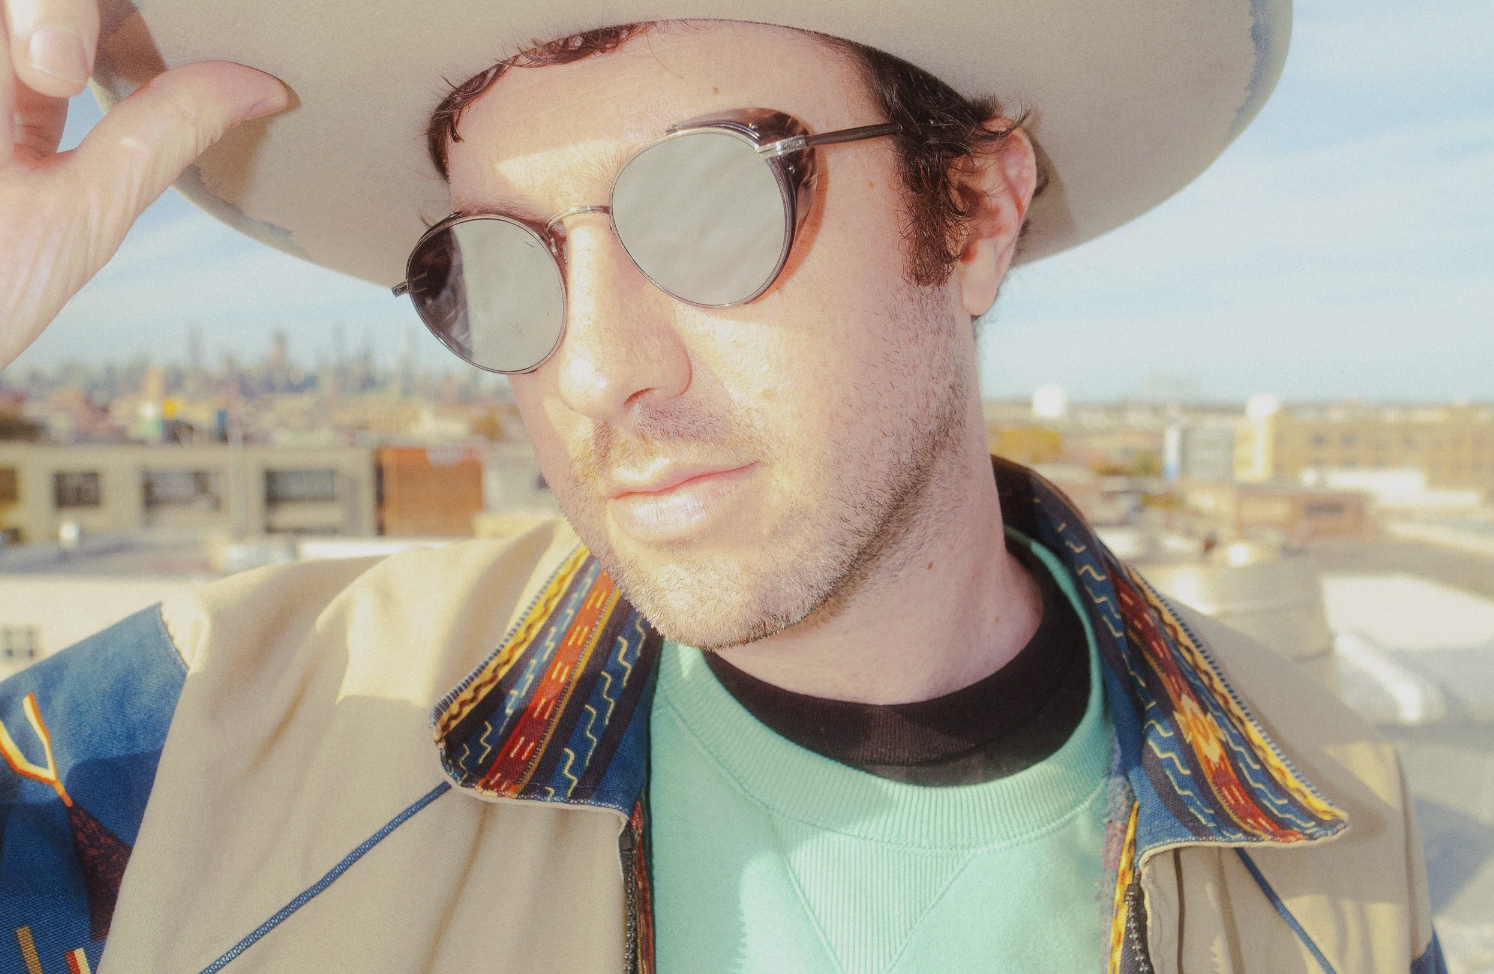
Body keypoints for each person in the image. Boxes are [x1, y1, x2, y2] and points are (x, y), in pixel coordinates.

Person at [0, 3, 1443, 973]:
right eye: (493, 265)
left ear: (976, 211)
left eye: (710, 204)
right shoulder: (207, 739)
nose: (592, 369)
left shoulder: (1329, 833)